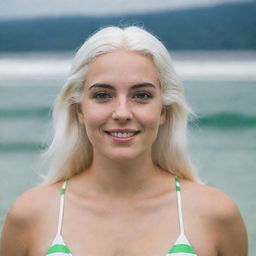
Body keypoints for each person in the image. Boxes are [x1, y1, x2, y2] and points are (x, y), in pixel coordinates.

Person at [0, 26, 247, 256]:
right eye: (102, 95)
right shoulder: (30, 215)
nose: (121, 112)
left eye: (141, 95)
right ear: (79, 110)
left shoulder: (215, 214)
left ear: (163, 110)